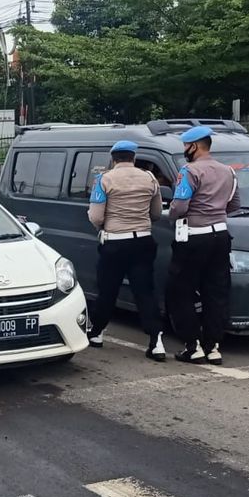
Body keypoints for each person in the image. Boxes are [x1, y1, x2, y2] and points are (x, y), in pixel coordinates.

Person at [166, 125, 240, 366]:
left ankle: (192, 346)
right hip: (220, 235)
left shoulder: (189, 171)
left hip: (193, 236)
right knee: (216, 292)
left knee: (182, 291)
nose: (185, 150)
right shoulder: (228, 171)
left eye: (186, 146)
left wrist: (171, 215)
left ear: (194, 146)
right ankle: (213, 346)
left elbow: (179, 206)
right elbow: (234, 204)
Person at [87, 141, 165, 360]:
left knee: (107, 290)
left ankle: (97, 333)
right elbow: (157, 213)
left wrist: (103, 227)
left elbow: (96, 216)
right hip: (143, 240)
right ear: (134, 158)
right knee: (145, 291)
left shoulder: (104, 179)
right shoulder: (149, 178)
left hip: (114, 242)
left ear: (113, 159)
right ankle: (156, 340)